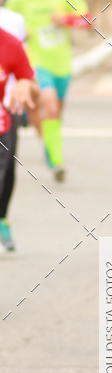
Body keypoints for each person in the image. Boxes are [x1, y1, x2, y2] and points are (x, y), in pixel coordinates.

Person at [6, 0, 90, 181]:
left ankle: (50, 146)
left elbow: (88, 21)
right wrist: (21, 35)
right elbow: (5, 25)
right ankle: (56, 160)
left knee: (55, 114)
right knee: (49, 106)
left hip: (62, 64)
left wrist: (67, 20)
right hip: (35, 63)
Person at [0, 28, 39, 253]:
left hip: (4, 118)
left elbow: (31, 85)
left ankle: (2, 218)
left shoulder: (10, 43)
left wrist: (26, 85)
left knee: (6, 176)